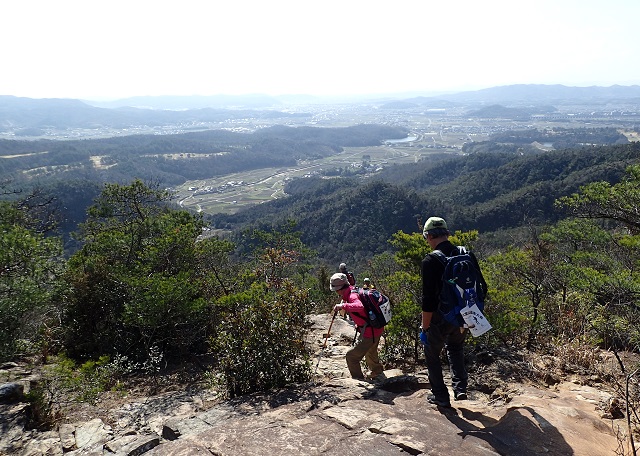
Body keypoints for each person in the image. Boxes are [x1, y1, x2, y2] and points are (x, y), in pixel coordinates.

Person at [420, 216, 487, 407]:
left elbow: (428, 301)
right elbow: (482, 286)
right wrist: (470, 314)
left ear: (429, 236)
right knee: (456, 348)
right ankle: (460, 389)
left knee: (432, 354)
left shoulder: (430, 261)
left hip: (440, 318)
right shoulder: (466, 254)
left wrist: (425, 328)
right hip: (465, 314)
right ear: (447, 234)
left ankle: (440, 396)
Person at [330, 272, 384, 380]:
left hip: (370, 332)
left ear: (339, 289)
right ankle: (377, 373)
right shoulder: (353, 290)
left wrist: (342, 306)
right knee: (371, 352)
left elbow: (359, 306)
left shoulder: (352, 295)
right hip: (375, 328)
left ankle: (358, 379)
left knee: (351, 357)